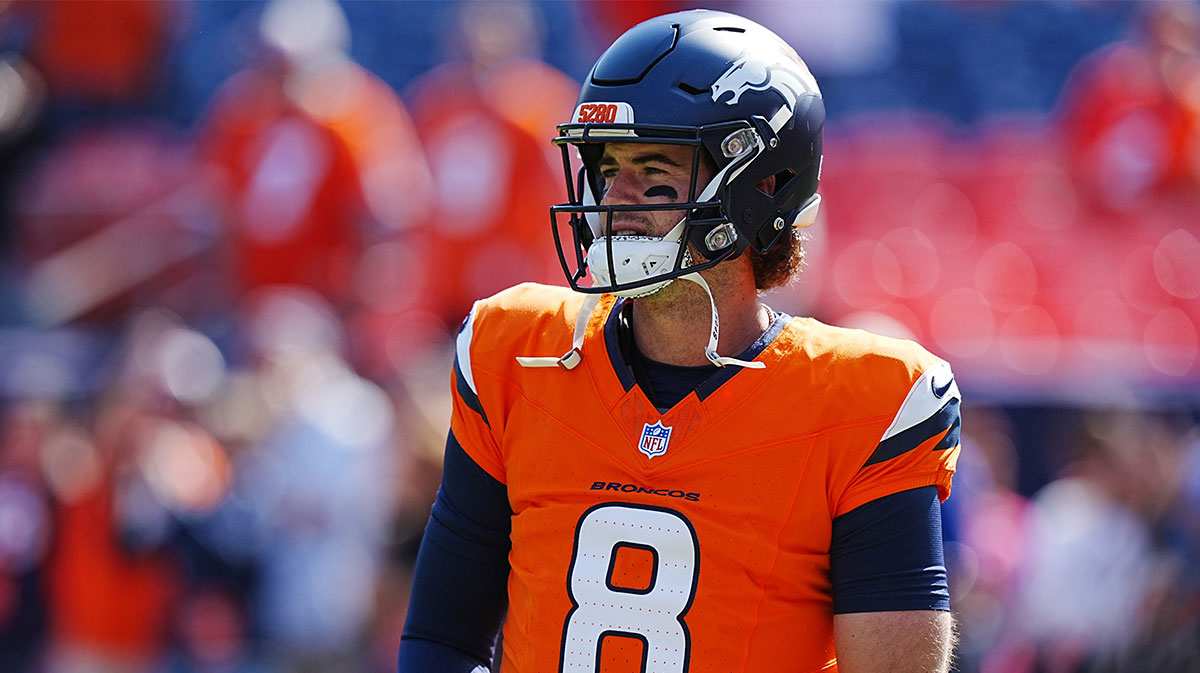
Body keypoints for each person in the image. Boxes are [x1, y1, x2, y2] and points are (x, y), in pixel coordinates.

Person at [398, 9, 961, 673]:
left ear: (762, 186)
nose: (616, 197)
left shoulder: (864, 401)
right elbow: (442, 641)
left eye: (655, 170)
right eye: (607, 167)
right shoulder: (516, 351)